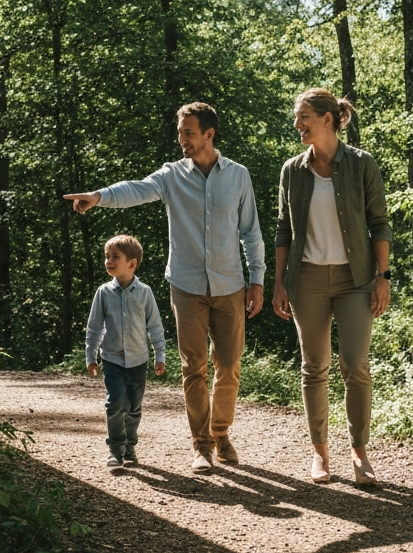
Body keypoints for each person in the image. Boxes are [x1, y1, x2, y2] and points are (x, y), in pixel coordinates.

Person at [66, 102, 265, 474]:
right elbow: (137, 189)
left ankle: (221, 433)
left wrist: (257, 280)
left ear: (209, 133)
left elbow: (251, 232)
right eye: (180, 133)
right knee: (194, 367)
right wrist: (99, 196)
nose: (182, 139)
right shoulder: (172, 175)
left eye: (189, 132)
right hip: (187, 286)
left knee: (229, 365)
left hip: (229, 285)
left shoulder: (238, 176)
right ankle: (202, 445)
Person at [271, 88, 391, 486]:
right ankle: (320, 454)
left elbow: (380, 222)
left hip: (356, 278)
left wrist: (383, 276)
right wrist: (279, 283)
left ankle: (360, 454)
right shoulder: (292, 170)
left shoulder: (361, 164)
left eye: (303, 116)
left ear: (327, 119)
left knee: (355, 365)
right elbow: (283, 229)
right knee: (314, 367)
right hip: (306, 280)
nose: (297, 124)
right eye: (295, 116)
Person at [85, 234, 166, 473]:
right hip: (112, 359)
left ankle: (130, 447)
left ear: (132, 263)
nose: (108, 261)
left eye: (115, 257)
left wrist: (159, 354)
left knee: (133, 407)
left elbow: (155, 326)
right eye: (106, 256)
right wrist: (91, 356)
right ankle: (116, 450)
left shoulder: (145, 293)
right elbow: (94, 327)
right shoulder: (103, 293)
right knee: (115, 404)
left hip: (138, 361)